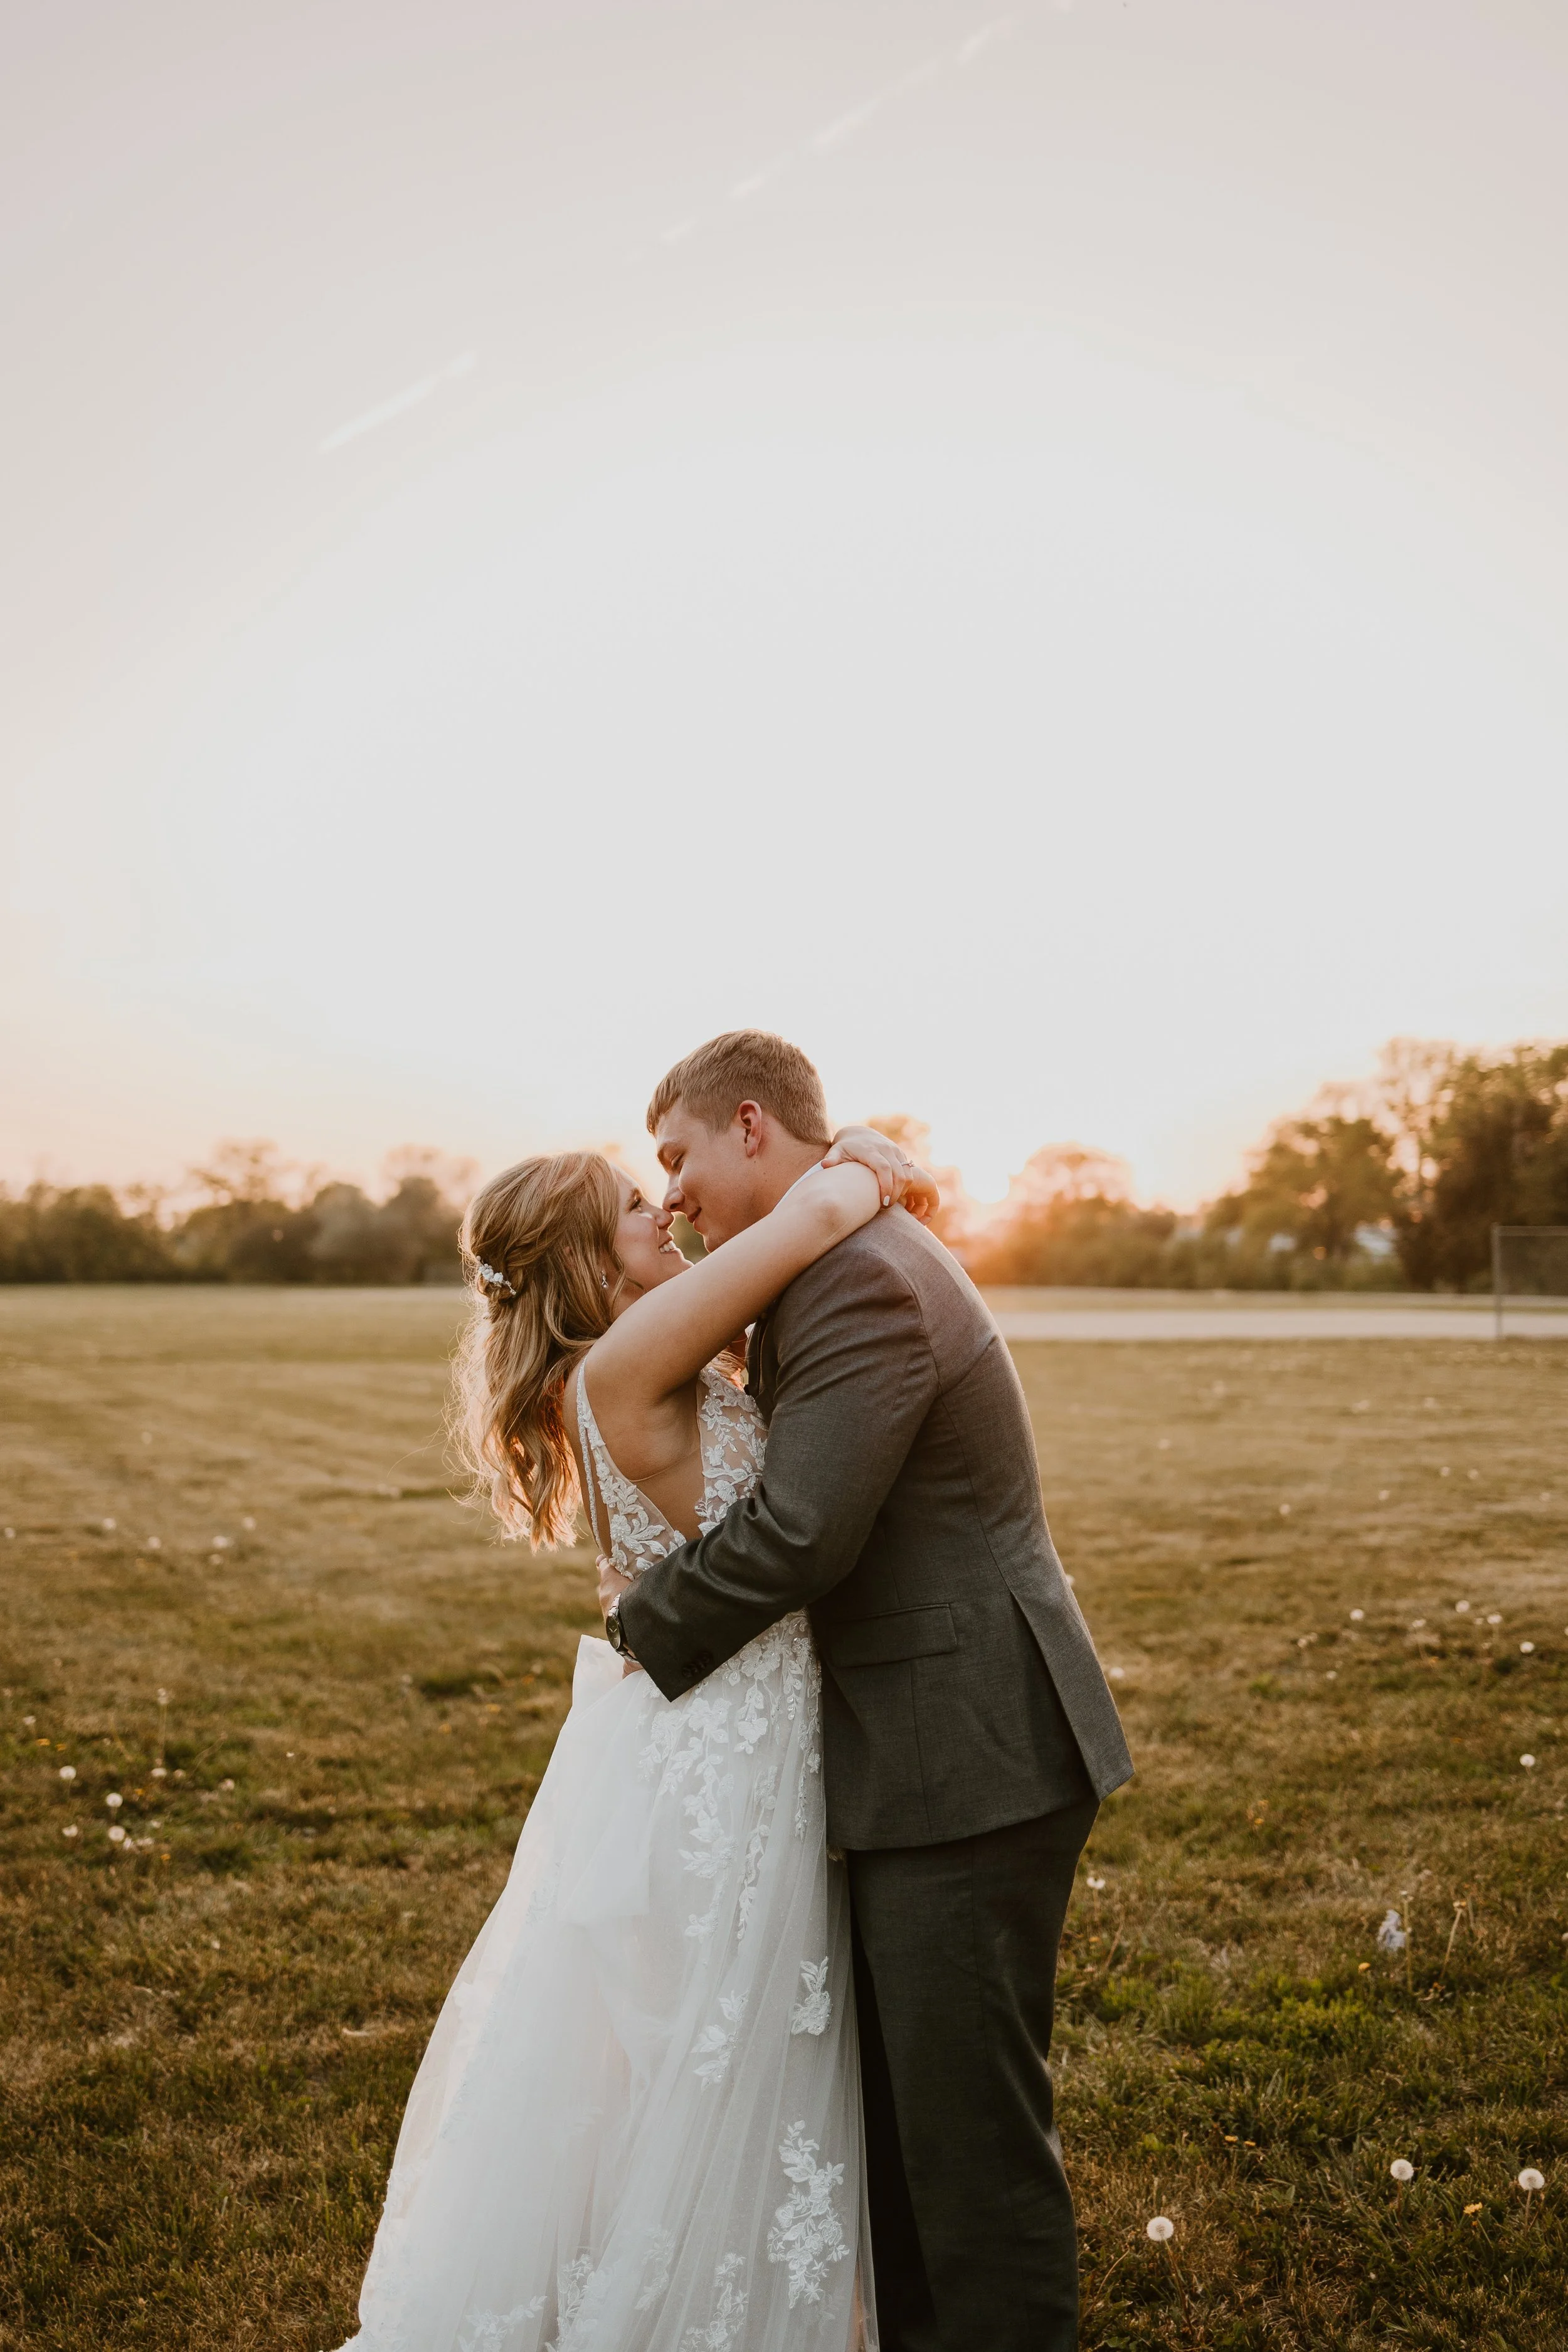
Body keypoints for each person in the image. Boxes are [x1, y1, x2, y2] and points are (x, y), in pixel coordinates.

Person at [331, 1118, 934, 2352]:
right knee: (725, 2050)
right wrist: (868, 1154)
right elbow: (812, 1222)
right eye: (629, 1209)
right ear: (587, 1268)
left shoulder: (621, 1361)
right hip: (729, 1751)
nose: (661, 1213)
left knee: (683, 2060)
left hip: (703, 1728)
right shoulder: (623, 1363)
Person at [608, 1032, 1134, 2352]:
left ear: (747, 1125)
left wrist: (639, 1622)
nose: (666, 1194)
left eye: (674, 1158)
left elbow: (801, 1533)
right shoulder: (826, 1258)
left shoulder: (855, 1281)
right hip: (925, 1745)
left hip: (967, 1752)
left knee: (965, 2157)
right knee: (904, 2135)